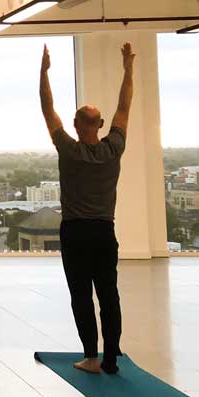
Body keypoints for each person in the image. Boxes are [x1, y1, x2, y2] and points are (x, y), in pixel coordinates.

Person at [40, 42, 134, 375]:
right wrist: (128, 68)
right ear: (101, 124)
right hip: (104, 232)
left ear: (77, 125)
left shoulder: (69, 149)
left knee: (81, 294)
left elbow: (47, 108)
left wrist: (44, 72)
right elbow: (125, 106)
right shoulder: (114, 148)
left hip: (76, 232)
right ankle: (111, 358)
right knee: (109, 293)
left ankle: (91, 356)